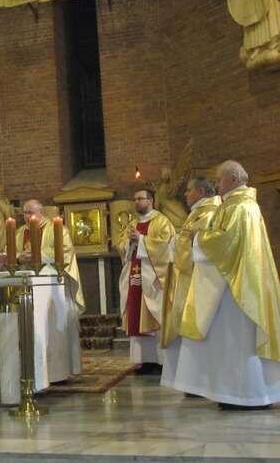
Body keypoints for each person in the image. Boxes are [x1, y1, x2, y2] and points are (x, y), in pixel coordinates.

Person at [172, 160, 280, 409]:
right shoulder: (236, 205)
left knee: (238, 342)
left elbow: (224, 242)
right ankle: (235, 394)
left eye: (219, 180)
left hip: (238, 287)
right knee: (232, 343)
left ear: (233, 179)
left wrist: (198, 237)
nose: (217, 185)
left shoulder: (240, 207)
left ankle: (246, 396)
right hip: (235, 281)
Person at [16, 199, 85, 390]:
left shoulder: (57, 229)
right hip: (27, 283)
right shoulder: (20, 232)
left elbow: (65, 252)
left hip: (54, 284)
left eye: (30, 213)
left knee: (55, 327)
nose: (26, 217)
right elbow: (11, 251)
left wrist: (38, 255)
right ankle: (33, 370)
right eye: (24, 213)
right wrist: (19, 257)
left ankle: (58, 372)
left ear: (41, 212)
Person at [160, 178, 220, 389]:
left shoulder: (209, 212)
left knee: (195, 326)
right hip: (188, 276)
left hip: (198, 278)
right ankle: (192, 380)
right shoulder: (197, 212)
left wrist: (179, 241)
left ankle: (199, 380)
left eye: (188, 190)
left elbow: (200, 244)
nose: (185, 194)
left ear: (201, 191)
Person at [115, 188, 174, 373]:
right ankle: (143, 360)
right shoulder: (132, 223)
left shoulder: (162, 221)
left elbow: (167, 247)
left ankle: (160, 360)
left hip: (153, 277)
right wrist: (129, 243)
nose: (136, 202)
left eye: (140, 198)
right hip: (134, 274)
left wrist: (142, 240)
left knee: (154, 314)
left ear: (150, 201)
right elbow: (121, 246)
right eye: (135, 199)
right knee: (135, 315)